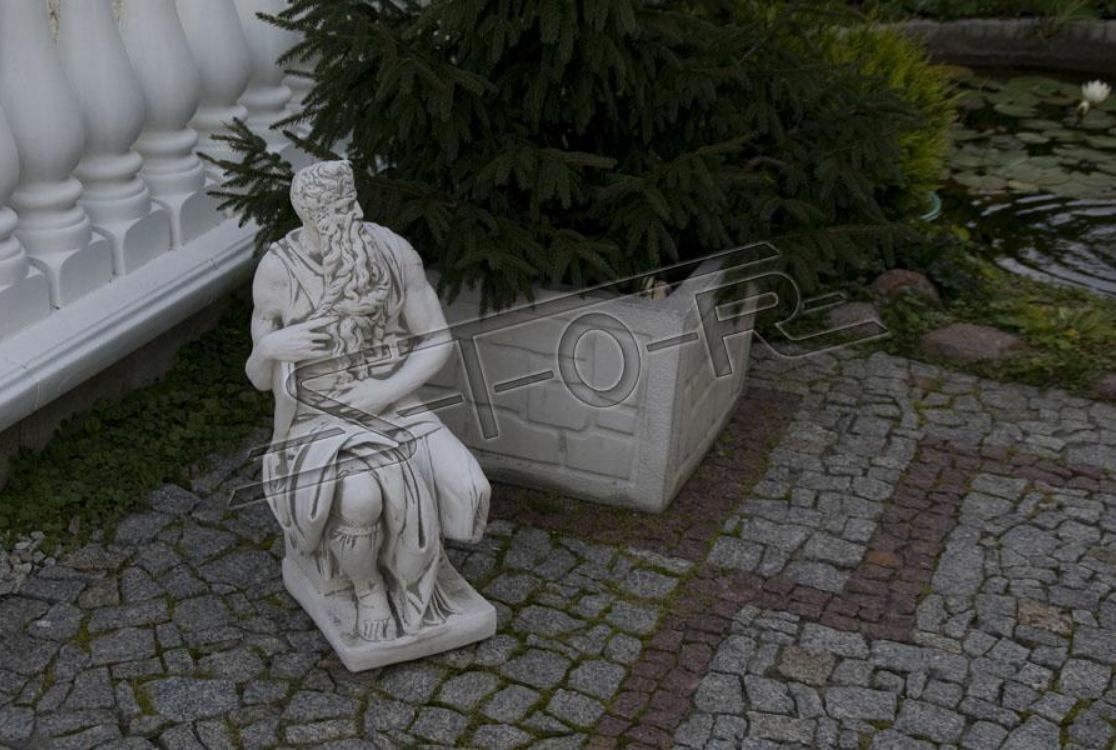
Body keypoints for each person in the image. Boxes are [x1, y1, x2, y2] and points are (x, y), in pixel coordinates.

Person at [246, 160, 489, 642]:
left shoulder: (391, 250)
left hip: (391, 403)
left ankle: (415, 571)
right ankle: (368, 587)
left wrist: (383, 392)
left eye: (353, 200)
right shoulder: (278, 270)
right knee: (361, 498)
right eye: (341, 208)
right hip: (317, 418)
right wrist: (270, 348)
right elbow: (257, 379)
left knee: (469, 488)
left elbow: (437, 338)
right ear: (312, 216)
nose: (355, 213)